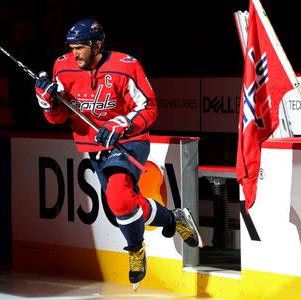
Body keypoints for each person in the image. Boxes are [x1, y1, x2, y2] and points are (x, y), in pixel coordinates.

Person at [34, 19, 204, 290]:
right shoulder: (62, 67)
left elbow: (149, 108)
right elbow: (59, 117)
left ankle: (136, 249)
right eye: (71, 47)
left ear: (97, 45)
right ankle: (174, 218)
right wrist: (47, 102)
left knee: (118, 197)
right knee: (122, 205)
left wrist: (121, 124)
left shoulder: (126, 66)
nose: (74, 53)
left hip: (129, 142)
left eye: (80, 48)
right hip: (94, 147)